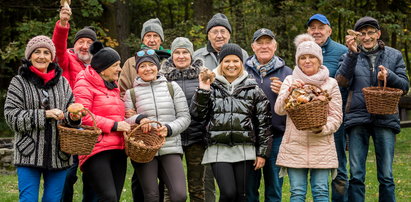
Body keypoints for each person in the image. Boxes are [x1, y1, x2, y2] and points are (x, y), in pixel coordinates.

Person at [335, 16, 409, 202]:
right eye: (362, 34)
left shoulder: (394, 55)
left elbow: (404, 86)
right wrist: (352, 55)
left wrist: (389, 75)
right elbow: (341, 82)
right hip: (357, 119)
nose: (366, 37)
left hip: (385, 118)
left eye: (370, 33)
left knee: (386, 175)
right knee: (357, 174)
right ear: (357, 37)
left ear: (378, 34)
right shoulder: (348, 55)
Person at [4, 35, 82, 202]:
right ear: (29, 56)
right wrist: (44, 115)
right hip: (28, 152)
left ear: (52, 57)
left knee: (52, 200)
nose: (41, 56)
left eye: (46, 52)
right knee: (28, 200)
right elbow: (11, 116)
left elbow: (70, 113)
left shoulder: (63, 83)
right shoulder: (19, 82)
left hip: (59, 155)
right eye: (37, 52)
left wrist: (74, 118)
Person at [190, 43, 272, 202]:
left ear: (242, 63)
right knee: (228, 193)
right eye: (227, 61)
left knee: (242, 195)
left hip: (244, 148)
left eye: (236, 61)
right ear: (221, 63)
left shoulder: (253, 88)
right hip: (218, 148)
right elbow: (198, 115)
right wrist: (203, 90)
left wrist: (262, 153)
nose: (231, 65)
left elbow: (264, 123)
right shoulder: (211, 85)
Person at [274, 34, 343, 201]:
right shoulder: (290, 80)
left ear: (319, 60)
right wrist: (290, 92)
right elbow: (279, 110)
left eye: (312, 57)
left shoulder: (331, 83)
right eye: (303, 58)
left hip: (322, 145)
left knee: (321, 191)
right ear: (298, 61)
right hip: (295, 146)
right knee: (297, 192)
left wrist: (322, 128)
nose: (307, 61)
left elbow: (336, 116)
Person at [193, 13, 248, 201]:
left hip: (236, 127)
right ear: (208, 35)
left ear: (229, 34)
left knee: (236, 189)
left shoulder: (242, 54)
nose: (219, 35)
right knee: (208, 177)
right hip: (207, 125)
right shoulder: (198, 56)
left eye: (223, 31)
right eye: (214, 31)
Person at [124, 49, 190, 202]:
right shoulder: (131, 94)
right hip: (144, 151)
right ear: (137, 70)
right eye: (142, 66)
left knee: (179, 195)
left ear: (157, 66)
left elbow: (185, 117)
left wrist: (169, 128)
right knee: (151, 196)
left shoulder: (172, 88)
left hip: (170, 146)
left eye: (151, 64)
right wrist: (139, 119)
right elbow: (126, 121)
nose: (147, 69)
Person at [73, 41, 131, 201]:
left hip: (118, 149)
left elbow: (114, 112)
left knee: (114, 198)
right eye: (116, 65)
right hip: (96, 150)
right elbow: (83, 115)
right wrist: (114, 125)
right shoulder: (84, 84)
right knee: (108, 197)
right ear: (103, 68)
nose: (119, 69)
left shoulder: (113, 86)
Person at [52, 5, 98, 201]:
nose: (85, 46)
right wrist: (63, 24)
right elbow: (59, 49)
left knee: (94, 177)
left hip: (93, 127)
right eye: (81, 41)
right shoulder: (68, 61)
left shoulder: (100, 66)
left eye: (89, 42)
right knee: (68, 175)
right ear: (75, 44)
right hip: (70, 127)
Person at [244, 28, 292, 202]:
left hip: (277, 136)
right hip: (249, 137)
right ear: (253, 46)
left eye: (268, 42)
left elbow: (297, 106)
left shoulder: (287, 72)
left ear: (275, 46)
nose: (264, 46)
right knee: (249, 189)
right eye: (260, 42)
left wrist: (285, 93)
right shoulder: (242, 70)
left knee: (274, 188)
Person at [306, 13, 349, 201]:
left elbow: (347, 81)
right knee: (315, 164)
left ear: (329, 30)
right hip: (309, 118)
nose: (316, 31)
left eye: (320, 27)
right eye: (312, 28)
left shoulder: (341, 51)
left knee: (338, 164)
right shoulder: (304, 51)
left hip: (333, 118)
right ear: (308, 31)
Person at [159, 37, 207, 201]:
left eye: (185, 52)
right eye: (177, 52)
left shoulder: (202, 76)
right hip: (172, 138)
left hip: (196, 137)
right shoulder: (162, 78)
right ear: (171, 55)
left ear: (191, 55)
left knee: (197, 186)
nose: (181, 56)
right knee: (170, 187)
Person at [119, 18, 171, 95]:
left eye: (156, 36)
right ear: (143, 40)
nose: (152, 40)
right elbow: (122, 92)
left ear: (161, 40)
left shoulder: (170, 61)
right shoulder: (131, 63)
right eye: (148, 36)